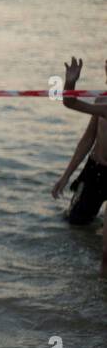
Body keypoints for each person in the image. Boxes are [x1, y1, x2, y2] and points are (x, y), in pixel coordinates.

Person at [59, 56, 107, 276]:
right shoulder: (101, 103)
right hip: (95, 172)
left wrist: (70, 87)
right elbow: (88, 139)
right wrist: (66, 176)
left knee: (106, 253)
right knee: (75, 224)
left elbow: (71, 103)